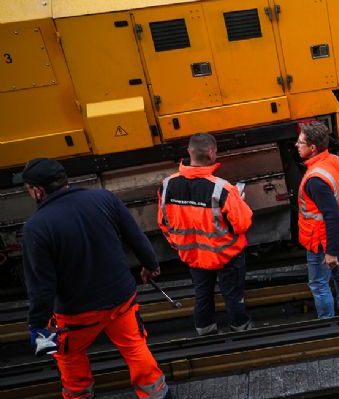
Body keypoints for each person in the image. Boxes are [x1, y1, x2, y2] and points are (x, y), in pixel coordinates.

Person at [18, 158, 170, 399]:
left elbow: (41, 285)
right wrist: (150, 266)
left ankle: (80, 396)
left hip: (76, 313)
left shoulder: (36, 227)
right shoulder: (103, 198)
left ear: (38, 190)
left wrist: (37, 325)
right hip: (121, 298)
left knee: (70, 356)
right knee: (135, 347)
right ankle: (157, 393)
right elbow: (135, 236)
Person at [157, 133, 254, 336]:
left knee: (202, 294)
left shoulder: (167, 186)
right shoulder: (223, 188)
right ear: (211, 153)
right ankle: (241, 330)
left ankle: (206, 332)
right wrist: (241, 201)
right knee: (233, 295)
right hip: (225, 256)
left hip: (193, 256)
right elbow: (242, 224)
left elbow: (163, 223)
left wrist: (180, 246)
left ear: (189, 152)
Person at [296, 121, 339, 319]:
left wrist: (330, 252)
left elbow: (331, 216)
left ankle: (327, 322)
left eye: (300, 142)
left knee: (319, 284)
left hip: (321, 240)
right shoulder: (335, 161)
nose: (296, 145)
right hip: (338, 234)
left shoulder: (315, 180)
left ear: (312, 148)